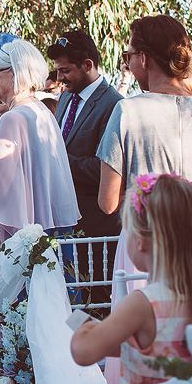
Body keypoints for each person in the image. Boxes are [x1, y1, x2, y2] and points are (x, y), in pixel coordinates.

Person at [96, 15, 192, 321]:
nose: (127, 63)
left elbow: (107, 203)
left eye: (128, 56)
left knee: (150, 348)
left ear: (144, 59)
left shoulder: (127, 110)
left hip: (149, 243)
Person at [71, 174, 192, 384]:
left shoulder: (142, 303)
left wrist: (81, 324)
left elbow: (84, 351)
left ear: (140, 242)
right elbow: (158, 353)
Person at [0, 40, 80, 241]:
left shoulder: (12, 118)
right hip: (48, 227)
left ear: (14, 72)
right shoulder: (40, 111)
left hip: (23, 235)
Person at [46, 30, 123, 306]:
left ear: (87, 65)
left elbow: (105, 169)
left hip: (95, 225)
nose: (60, 79)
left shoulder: (114, 104)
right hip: (65, 221)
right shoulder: (67, 97)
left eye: (65, 71)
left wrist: (56, 161)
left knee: (97, 301)